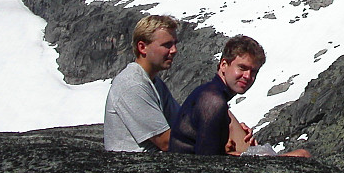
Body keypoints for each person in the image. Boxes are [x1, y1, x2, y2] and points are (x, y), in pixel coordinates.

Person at [169, 35, 310, 158]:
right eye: (242, 68)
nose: (248, 76)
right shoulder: (213, 101)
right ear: (223, 65)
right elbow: (207, 164)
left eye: (253, 71)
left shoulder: (211, 93)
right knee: (302, 155)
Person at [103, 15, 182, 152]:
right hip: (132, 169)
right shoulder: (132, 85)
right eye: (167, 45)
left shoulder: (155, 83)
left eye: (175, 44)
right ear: (142, 47)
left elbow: (182, 122)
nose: (174, 50)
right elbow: (166, 142)